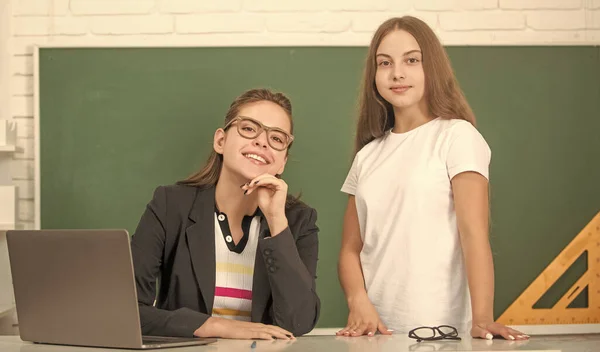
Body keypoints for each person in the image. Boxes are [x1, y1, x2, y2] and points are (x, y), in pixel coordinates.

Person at [336, 16, 529, 341]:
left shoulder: (457, 136)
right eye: (385, 63)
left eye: (411, 60)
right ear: (374, 76)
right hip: (376, 336)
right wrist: (358, 301)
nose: (397, 72)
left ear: (432, 67)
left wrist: (482, 318)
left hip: (443, 335)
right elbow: (349, 249)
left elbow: (473, 234)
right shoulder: (367, 156)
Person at [131, 88, 320, 340]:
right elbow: (128, 310)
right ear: (220, 141)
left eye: (277, 138)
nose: (262, 142)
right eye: (249, 128)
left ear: (282, 161)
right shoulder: (170, 205)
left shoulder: (297, 221)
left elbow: (299, 322)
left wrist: (277, 223)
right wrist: (216, 326)